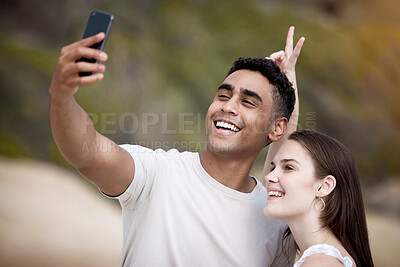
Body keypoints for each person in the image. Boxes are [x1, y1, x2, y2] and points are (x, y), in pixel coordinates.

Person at [49, 25, 304, 266]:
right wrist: (61, 96)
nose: (228, 106)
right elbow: (87, 151)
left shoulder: (275, 221)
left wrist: (290, 99)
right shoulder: (157, 173)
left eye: (248, 102)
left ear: (277, 127)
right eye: (223, 96)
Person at [263, 130, 375, 266]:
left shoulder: (320, 263)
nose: (268, 177)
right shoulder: (326, 259)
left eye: (288, 167)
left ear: (324, 186)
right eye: (273, 168)